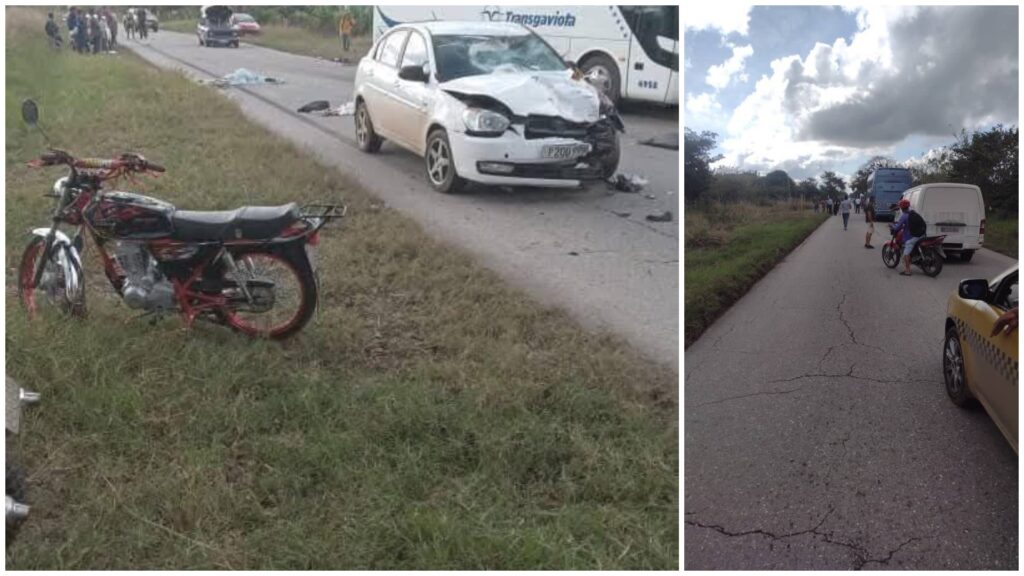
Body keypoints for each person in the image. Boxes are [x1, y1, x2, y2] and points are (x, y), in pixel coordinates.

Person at [890, 198, 927, 276]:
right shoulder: (913, 213)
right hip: (922, 234)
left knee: (905, 254)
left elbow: (897, 227)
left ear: (901, 207)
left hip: (913, 237)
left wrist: (892, 226)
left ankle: (907, 271)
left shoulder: (904, 216)